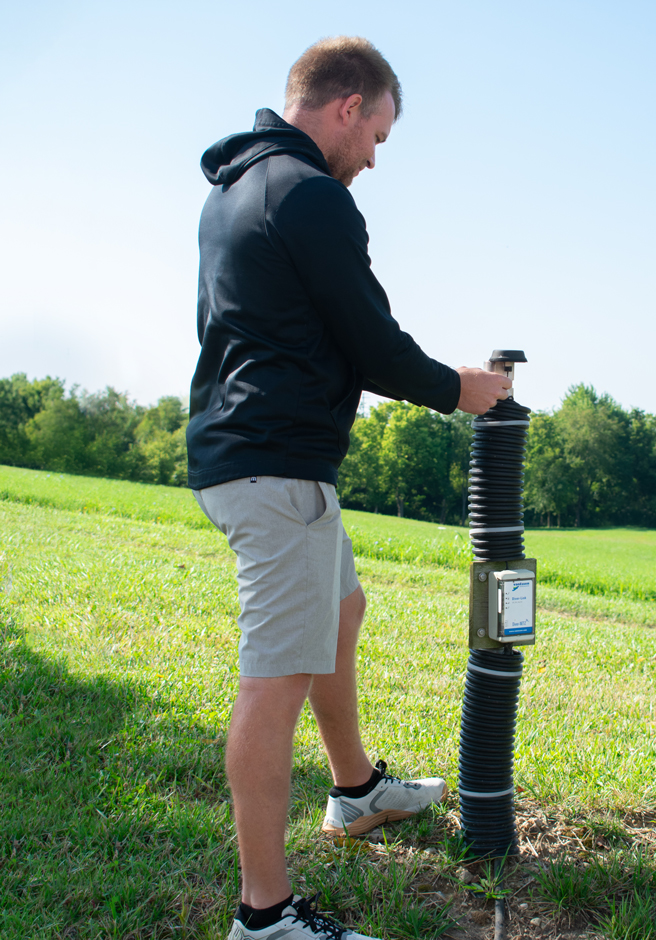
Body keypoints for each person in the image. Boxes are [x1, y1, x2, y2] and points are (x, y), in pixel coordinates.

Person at [186, 36, 510, 940]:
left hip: (253, 454)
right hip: (275, 464)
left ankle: (356, 790)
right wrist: (462, 389)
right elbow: (372, 341)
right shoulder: (310, 194)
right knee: (275, 677)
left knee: (343, 610)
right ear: (348, 105)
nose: (374, 156)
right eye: (378, 135)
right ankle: (265, 916)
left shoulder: (234, 188)